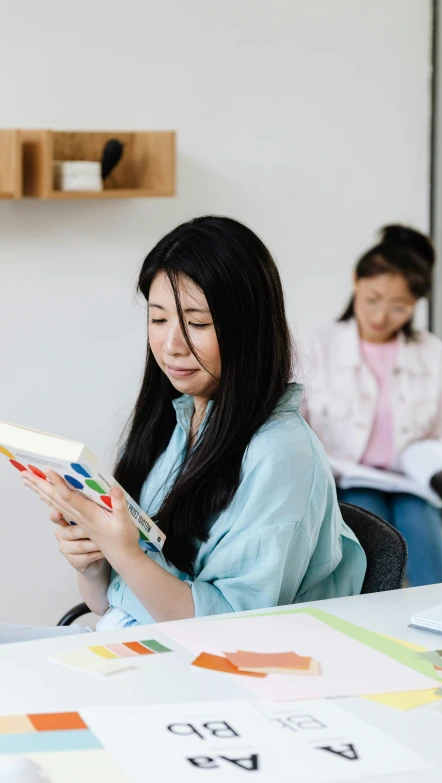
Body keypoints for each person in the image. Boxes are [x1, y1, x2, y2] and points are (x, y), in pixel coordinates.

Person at [2, 216, 366, 643]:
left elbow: (228, 632)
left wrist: (123, 551)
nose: (172, 344)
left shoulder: (283, 455)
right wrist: (94, 565)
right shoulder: (180, 422)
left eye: (197, 323)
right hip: (133, 645)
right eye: (158, 320)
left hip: (211, 672)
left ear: (249, 330)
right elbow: (110, 604)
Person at [301, 224, 442, 587]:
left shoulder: (431, 352)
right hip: (348, 479)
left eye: (399, 308)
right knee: (370, 514)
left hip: (410, 483)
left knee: (419, 513)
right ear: (356, 281)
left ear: (415, 305)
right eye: (372, 299)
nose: (380, 317)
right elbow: (296, 425)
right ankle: (386, 628)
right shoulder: (317, 345)